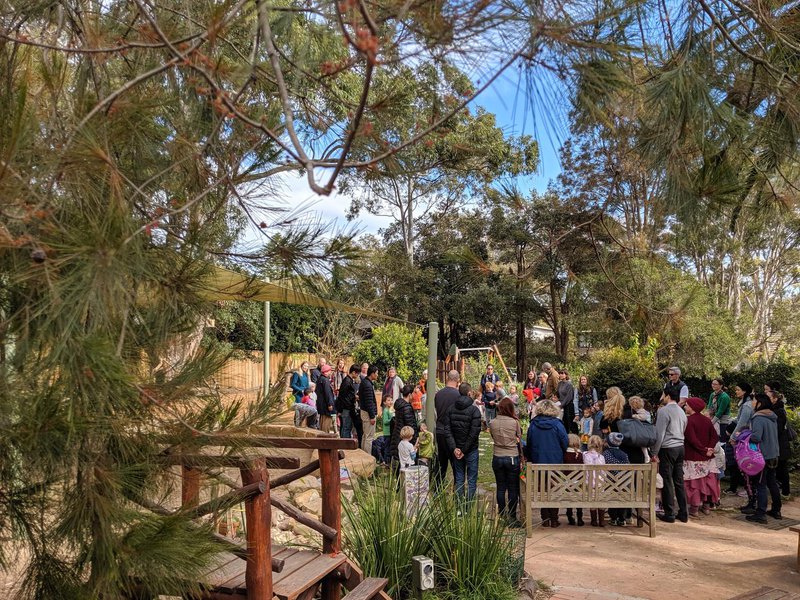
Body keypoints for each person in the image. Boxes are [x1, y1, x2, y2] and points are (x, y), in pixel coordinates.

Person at [525, 399, 568, 527]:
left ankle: (545, 518)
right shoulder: (558, 424)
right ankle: (554, 518)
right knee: (553, 489)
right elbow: (564, 442)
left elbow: (529, 442)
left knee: (542, 489)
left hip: (538, 460)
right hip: (555, 461)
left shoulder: (533, 424)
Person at [741, 393, 782, 523]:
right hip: (774, 454)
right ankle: (776, 510)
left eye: (754, 400)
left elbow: (756, 437)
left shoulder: (758, 418)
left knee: (760, 484)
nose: (752, 402)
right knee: (772, 482)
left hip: (762, 456)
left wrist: (745, 435)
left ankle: (760, 513)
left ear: (759, 403)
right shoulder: (772, 416)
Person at [651, 385, 689, 524]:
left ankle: (669, 513)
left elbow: (659, 433)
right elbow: (684, 427)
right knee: (679, 481)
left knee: (667, 480)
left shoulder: (664, 411)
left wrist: (654, 452)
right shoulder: (681, 411)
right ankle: (684, 512)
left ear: (667, 396)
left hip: (667, 447)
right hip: (680, 446)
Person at [683, 397, 720, 517]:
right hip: (708, 457)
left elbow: (692, 440)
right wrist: (709, 448)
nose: (685, 407)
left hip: (693, 456)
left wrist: (703, 450)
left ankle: (694, 507)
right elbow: (714, 436)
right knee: (708, 481)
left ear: (692, 407)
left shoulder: (689, 421)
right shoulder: (707, 420)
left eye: (687, 405)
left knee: (694, 483)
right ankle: (706, 505)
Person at [489, 397, 522, 526]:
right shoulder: (515, 422)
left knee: (501, 487)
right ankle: (512, 515)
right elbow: (518, 436)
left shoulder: (493, 422)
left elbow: (492, 435)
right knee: (513, 488)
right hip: (512, 456)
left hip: (497, 455)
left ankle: (502, 515)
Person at [446, 382, 482, 501]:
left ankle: (459, 507)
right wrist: (460, 449)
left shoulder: (451, 409)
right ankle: (467, 506)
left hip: (458, 448)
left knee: (460, 478)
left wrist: (455, 448)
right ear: (469, 393)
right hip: (469, 449)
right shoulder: (474, 410)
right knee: (471, 480)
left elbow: (448, 431)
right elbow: (474, 433)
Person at [433, 370, 461, 486]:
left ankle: (437, 488)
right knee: (456, 464)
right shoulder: (458, 395)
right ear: (458, 380)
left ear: (447, 378)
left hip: (440, 430)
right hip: (453, 433)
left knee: (441, 463)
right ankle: (457, 490)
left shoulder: (438, 394)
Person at [765, 382, 791, 497]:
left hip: (780, 444)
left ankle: (785, 491)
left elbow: (778, 429)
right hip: (778, 443)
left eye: (767, 393)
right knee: (780, 468)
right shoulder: (774, 409)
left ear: (775, 399)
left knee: (782, 467)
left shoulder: (778, 411)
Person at [604, 433, 631, 526]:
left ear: (608, 442)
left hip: (611, 483)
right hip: (624, 483)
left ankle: (613, 518)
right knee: (622, 495)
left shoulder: (606, 453)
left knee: (613, 495)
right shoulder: (624, 455)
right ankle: (622, 518)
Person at [390, 384, 418, 468]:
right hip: (406, 437)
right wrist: (415, 440)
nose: (414, 395)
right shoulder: (407, 408)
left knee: (400, 461)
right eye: (414, 393)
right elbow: (410, 425)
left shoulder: (399, 405)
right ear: (409, 394)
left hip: (398, 436)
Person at [583, 435, 606, 527]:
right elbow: (604, 473)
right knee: (600, 499)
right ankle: (601, 521)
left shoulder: (585, 455)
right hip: (600, 484)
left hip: (589, 484)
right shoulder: (601, 458)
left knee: (592, 500)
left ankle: (594, 521)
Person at [564, 433, 584, 526]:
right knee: (578, 497)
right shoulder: (580, 455)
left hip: (567, 482)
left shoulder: (565, 454)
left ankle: (570, 516)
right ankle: (580, 518)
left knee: (569, 497)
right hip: (579, 482)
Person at [358, 365, 379, 456]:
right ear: (372, 373)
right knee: (369, 437)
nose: (377, 375)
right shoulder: (367, 384)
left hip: (365, 412)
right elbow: (369, 402)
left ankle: (363, 454)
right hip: (368, 413)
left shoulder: (366, 382)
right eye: (377, 373)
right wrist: (372, 416)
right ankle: (367, 456)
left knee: (365, 435)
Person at [336, 365, 360, 440]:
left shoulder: (349, 380)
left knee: (347, 427)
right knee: (346, 427)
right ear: (353, 372)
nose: (357, 376)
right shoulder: (347, 381)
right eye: (357, 374)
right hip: (346, 408)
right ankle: (345, 444)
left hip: (347, 407)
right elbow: (342, 396)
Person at [316, 364, 336, 433]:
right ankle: (324, 438)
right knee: (326, 424)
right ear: (326, 371)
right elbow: (328, 393)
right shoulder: (325, 380)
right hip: (326, 406)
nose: (330, 373)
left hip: (321, 405)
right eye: (330, 371)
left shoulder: (320, 379)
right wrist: (330, 404)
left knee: (322, 423)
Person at [557, 369, 577, 434]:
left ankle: (575, 436)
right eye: (560, 373)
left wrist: (561, 405)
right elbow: (558, 394)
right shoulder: (559, 384)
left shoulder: (569, 384)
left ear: (566, 375)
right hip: (561, 405)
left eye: (562, 373)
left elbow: (569, 397)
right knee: (564, 422)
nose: (560, 375)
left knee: (570, 422)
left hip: (568, 405)